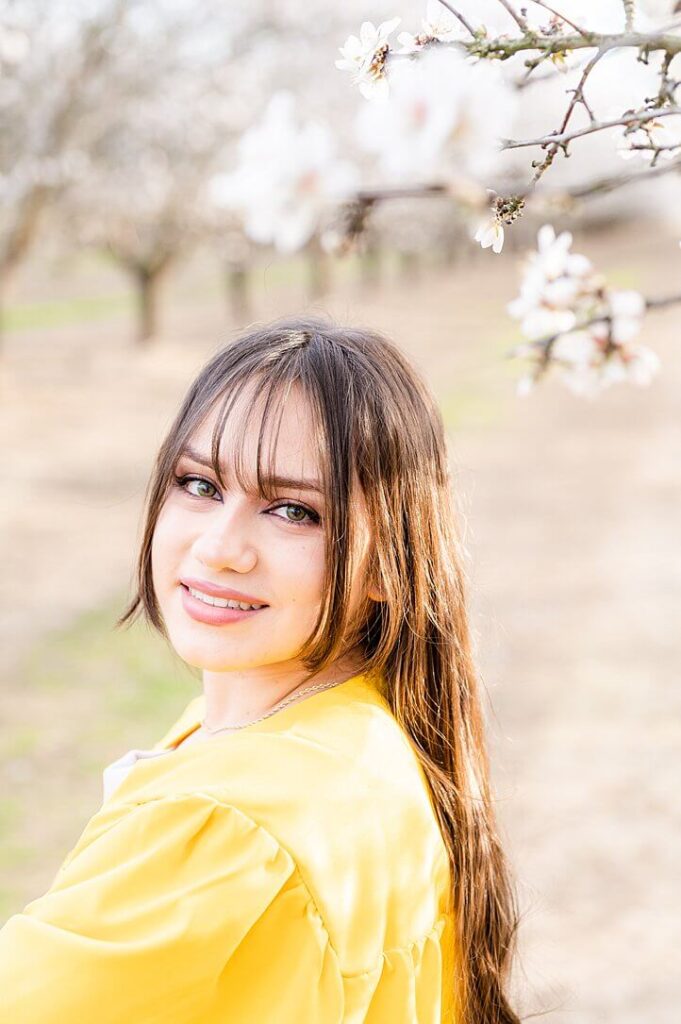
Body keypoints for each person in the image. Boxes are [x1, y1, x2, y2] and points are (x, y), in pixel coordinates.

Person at [0, 316, 521, 1022]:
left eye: (293, 511)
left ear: (388, 560)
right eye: (200, 484)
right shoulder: (362, 737)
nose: (220, 548)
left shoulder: (227, 821)